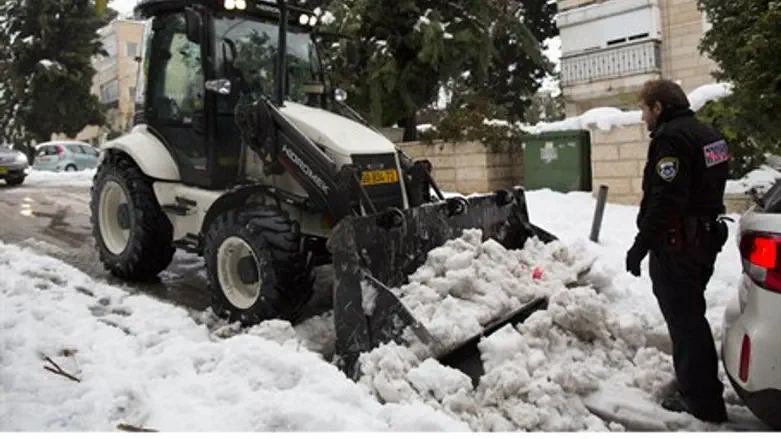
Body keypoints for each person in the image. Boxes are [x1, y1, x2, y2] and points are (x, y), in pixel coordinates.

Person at [625, 79, 731, 423]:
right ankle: (696, 384)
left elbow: (667, 199)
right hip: (704, 241)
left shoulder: (672, 139)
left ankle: (701, 401)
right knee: (691, 317)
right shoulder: (709, 136)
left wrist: (640, 246)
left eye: (644, 109)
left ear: (658, 107)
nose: (643, 118)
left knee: (686, 322)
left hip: (679, 245)